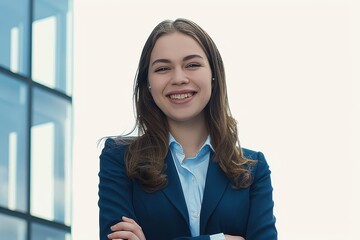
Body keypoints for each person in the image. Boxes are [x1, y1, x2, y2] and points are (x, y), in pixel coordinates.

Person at [98, 18, 277, 240]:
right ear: (148, 83)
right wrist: (217, 239)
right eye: (163, 68)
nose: (179, 78)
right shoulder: (119, 158)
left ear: (213, 74)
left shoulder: (253, 169)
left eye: (192, 65)